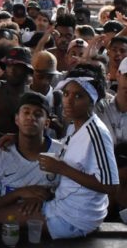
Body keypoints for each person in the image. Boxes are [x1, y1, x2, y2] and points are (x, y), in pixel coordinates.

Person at [32, 67, 120, 238]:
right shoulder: (75, 126)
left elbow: (110, 186)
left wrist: (62, 168)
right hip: (63, 205)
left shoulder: (97, 133)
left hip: (76, 218)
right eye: (66, 94)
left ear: (92, 101)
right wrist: (16, 139)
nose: (68, 101)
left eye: (78, 96)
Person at [0, 92, 56, 223]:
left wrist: (44, 197)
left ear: (47, 123)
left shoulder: (61, 153)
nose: (31, 117)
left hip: (47, 227)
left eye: (38, 114)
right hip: (7, 228)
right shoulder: (0, 155)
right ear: (17, 119)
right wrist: (19, 193)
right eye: (26, 112)